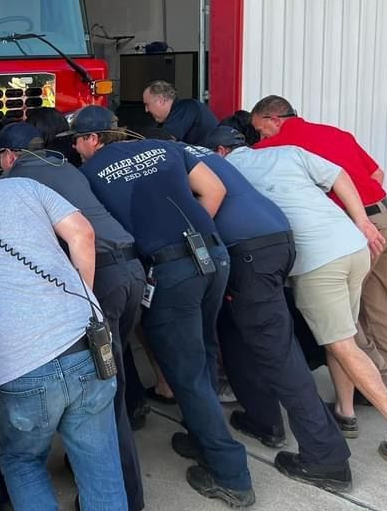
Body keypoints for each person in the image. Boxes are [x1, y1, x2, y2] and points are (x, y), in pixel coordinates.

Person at [0, 143, 127, 511]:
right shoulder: (21, 186)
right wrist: (83, 303)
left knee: (22, 461)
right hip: (84, 344)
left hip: (15, 370)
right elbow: (83, 234)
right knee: (100, 466)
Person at [67, 105, 255, 508]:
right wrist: (193, 241)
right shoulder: (162, 147)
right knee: (203, 352)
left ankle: (231, 475)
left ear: (93, 139)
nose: (78, 149)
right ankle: (202, 436)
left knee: (184, 373)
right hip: (214, 256)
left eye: (78, 141)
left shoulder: (89, 175)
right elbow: (215, 190)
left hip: (172, 271)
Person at [214, 128, 387, 463]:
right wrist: (362, 221)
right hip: (352, 245)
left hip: (319, 261)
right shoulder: (286, 152)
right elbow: (339, 174)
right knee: (343, 339)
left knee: (341, 343)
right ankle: (346, 412)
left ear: (221, 150)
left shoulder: (228, 170)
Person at [187, 127, 352, 490]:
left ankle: (327, 458)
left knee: (278, 353)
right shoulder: (204, 154)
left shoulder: (172, 162)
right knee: (234, 334)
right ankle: (265, 420)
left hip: (249, 254)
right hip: (274, 240)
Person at [0, 122, 146, 511]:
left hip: (102, 274)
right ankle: (94, 461)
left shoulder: (18, 180)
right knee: (113, 374)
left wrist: (82, 303)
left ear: (9, 156)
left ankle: (128, 496)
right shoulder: (66, 166)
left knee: (103, 389)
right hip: (131, 270)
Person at [251, 96, 387, 410]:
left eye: (261, 130)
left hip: (359, 229)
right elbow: (377, 175)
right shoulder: (336, 133)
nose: (261, 138)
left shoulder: (278, 147)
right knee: (380, 307)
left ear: (275, 119)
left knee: (345, 317)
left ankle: (382, 384)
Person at [142, 80, 218, 146]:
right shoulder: (179, 110)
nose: (146, 110)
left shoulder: (186, 108)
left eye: (147, 104)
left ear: (161, 101)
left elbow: (163, 142)